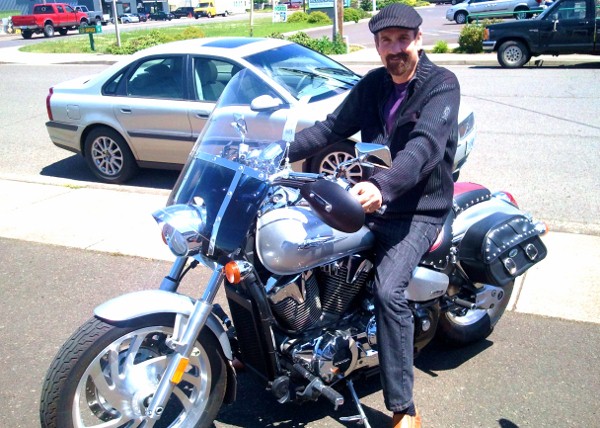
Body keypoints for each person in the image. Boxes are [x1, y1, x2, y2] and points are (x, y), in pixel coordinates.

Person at [288, 4, 461, 427]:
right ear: (377, 46)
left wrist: (382, 186)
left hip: (417, 210)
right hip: (372, 202)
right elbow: (331, 128)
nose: (395, 49)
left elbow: (422, 149)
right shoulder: (373, 85)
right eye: (386, 41)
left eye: (403, 39)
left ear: (419, 39)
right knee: (303, 246)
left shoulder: (442, 85)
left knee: (388, 292)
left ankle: (404, 408)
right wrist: (275, 153)